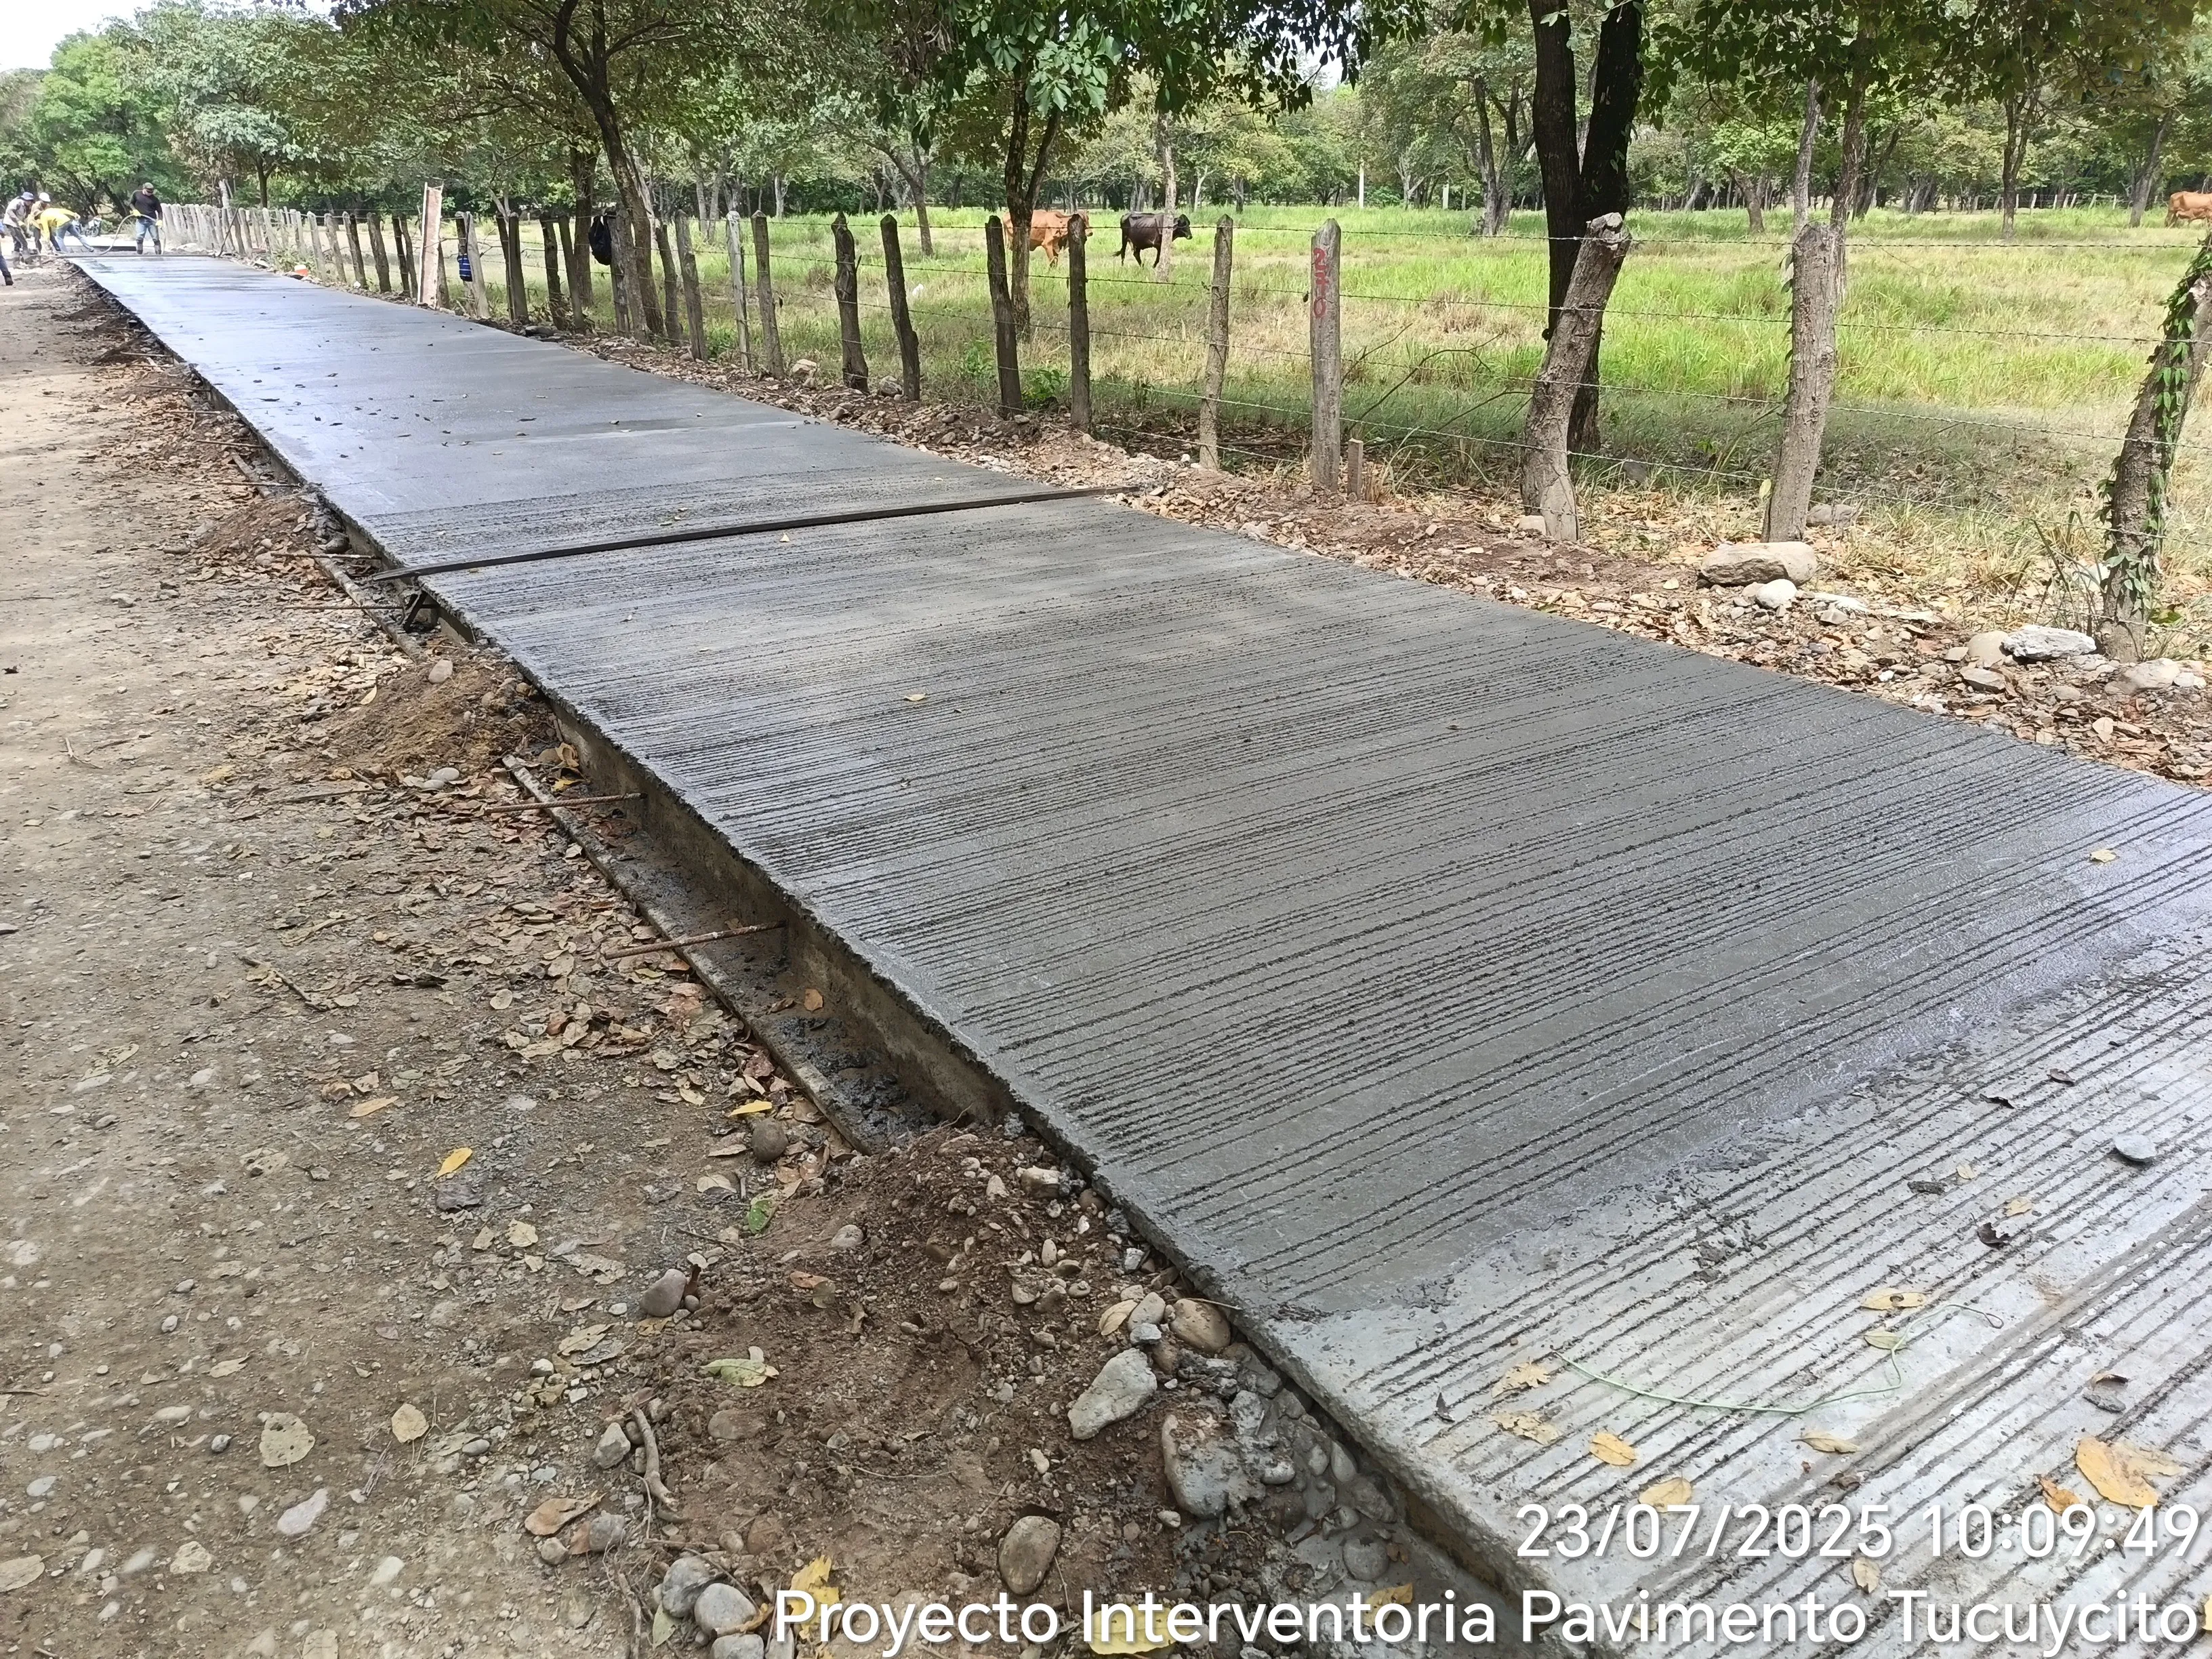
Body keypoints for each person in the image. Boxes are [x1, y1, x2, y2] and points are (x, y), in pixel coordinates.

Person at [128, 181, 162, 253]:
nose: (150, 193)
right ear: (144, 189)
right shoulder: (136, 194)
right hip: (141, 220)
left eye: (151, 192)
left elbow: (160, 211)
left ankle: (158, 254)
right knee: (139, 237)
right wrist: (134, 210)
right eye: (148, 192)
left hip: (152, 220)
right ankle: (140, 254)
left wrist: (160, 220)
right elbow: (131, 203)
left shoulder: (154, 199)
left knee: (155, 238)